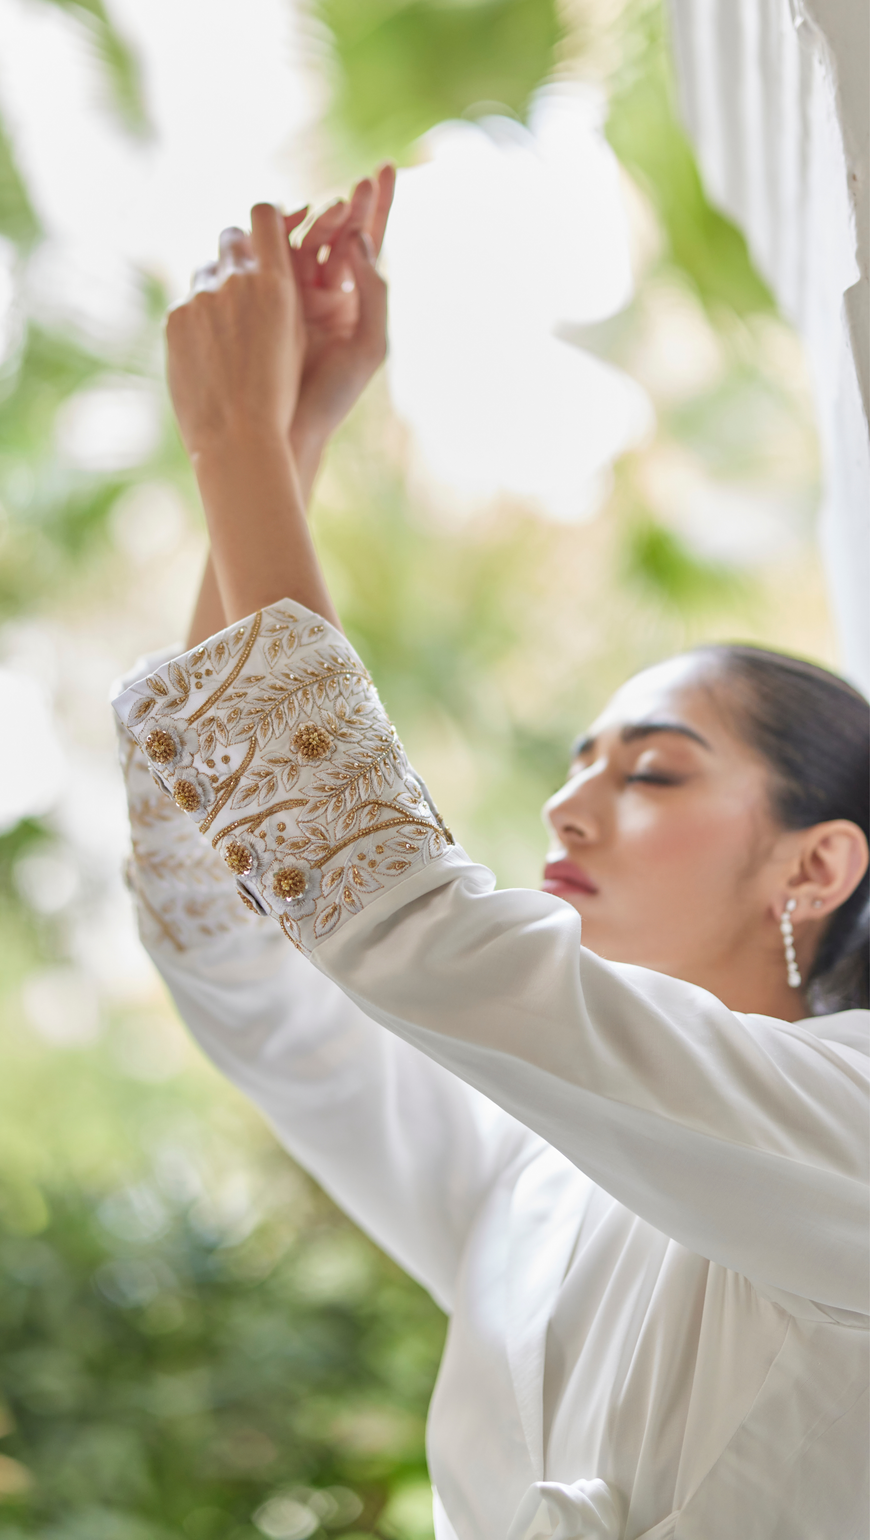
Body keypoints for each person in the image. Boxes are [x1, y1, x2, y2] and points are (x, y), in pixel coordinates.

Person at [111, 174, 870, 1540]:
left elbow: (407, 920)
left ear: (814, 869)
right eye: (576, 764)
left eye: (651, 771)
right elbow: (239, 956)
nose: (569, 810)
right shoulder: (527, 1175)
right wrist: (280, 451)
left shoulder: (852, 1120)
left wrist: (234, 444)